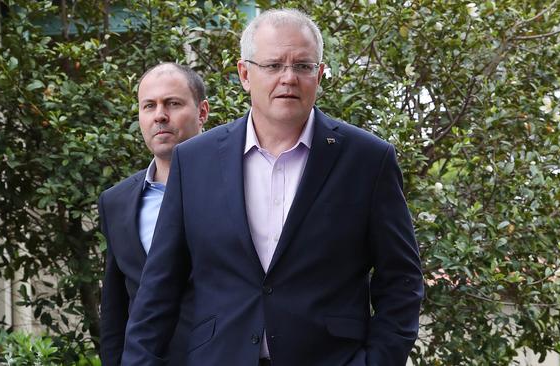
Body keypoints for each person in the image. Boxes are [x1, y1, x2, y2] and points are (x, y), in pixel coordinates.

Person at [122, 9, 423, 366]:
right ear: (245, 74)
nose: (288, 78)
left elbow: (401, 279)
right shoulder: (195, 161)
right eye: (273, 65)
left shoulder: (367, 160)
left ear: (320, 74)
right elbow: (159, 286)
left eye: (303, 66)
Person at [97, 63, 209, 365]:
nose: (160, 115)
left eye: (173, 103)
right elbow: (116, 307)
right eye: (149, 106)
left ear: (202, 113)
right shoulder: (115, 202)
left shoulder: (235, 185)